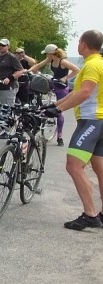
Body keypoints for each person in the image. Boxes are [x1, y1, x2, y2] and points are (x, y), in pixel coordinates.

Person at [41, 30, 103, 231]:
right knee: (100, 169)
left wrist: (59, 109)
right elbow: (76, 92)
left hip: (92, 121)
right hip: (98, 121)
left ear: (83, 44)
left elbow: (84, 93)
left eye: (79, 42)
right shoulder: (97, 62)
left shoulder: (92, 64)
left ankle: (90, 215)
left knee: (74, 166)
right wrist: (52, 105)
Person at [30, 44, 80, 146]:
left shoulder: (63, 61)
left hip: (62, 86)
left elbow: (76, 70)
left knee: (59, 111)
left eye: (47, 54)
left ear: (51, 53)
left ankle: (59, 136)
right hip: (54, 83)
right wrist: (28, 71)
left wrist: (66, 78)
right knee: (39, 88)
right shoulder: (51, 60)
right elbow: (39, 65)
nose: (46, 56)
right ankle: (41, 112)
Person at [0, 38, 24, 139]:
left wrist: (9, 78)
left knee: (7, 108)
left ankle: (8, 131)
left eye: (3, 45)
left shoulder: (12, 57)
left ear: (8, 46)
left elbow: (20, 71)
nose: (1, 47)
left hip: (9, 87)